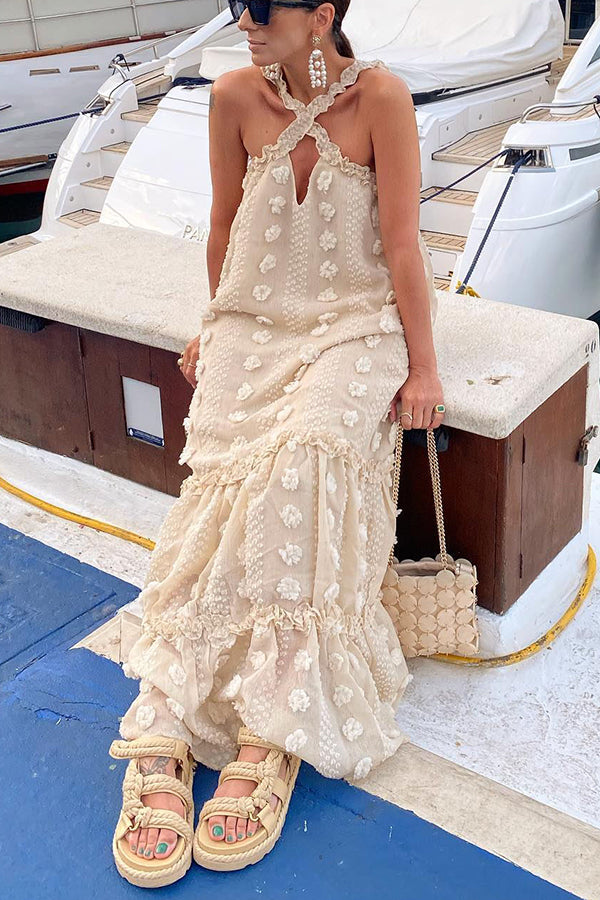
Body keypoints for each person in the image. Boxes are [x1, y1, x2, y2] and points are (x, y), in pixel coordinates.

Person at [107, 0, 446, 887]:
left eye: (262, 7)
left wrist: (425, 368)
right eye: (237, 6)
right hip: (256, 326)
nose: (246, 22)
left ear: (321, 14)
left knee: (303, 461)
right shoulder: (231, 97)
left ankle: (275, 723)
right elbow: (225, 227)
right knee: (222, 487)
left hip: (355, 327)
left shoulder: (381, 99)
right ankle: (173, 709)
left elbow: (403, 246)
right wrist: (216, 324)